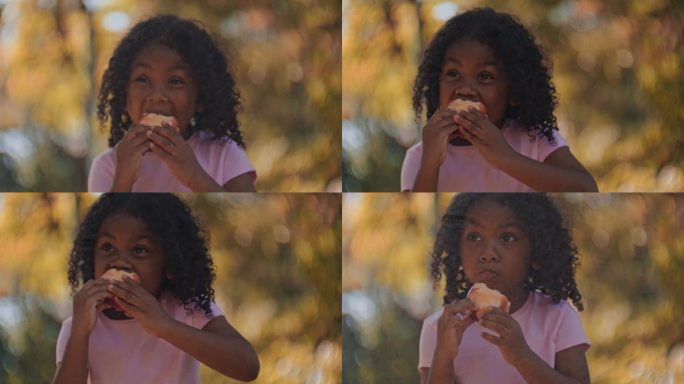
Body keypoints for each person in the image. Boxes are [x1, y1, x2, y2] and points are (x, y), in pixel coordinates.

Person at [53, 193, 260, 384]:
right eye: (108, 247)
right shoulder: (79, 326)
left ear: (169, 264)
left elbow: (248, 366)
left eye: (139, 250)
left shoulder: (186, 307)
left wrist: (163, 326)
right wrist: (80, 333)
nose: (120, 262)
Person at [401, 8, 598, 192]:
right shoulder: (420, 157)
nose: (465, 89)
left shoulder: (534, 139)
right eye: (453, 73)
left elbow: (586, 187)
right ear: (437, 82)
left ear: (514, 93)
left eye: (485, 76)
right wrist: (430, 163)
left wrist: (506, 159)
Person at [419, 193, 590, 383]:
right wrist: (443, 356)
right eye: (474, 237)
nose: (488, 253)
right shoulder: (439, 327)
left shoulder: (558, 317)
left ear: (536, 253)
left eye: (507, 237)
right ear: (458, 250)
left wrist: (521, 357)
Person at [89, 15, 256, 192]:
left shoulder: (225, 154)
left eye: (175, 81)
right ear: (124, 95)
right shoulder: (108, 166)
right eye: (142, 79)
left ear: (200, 98)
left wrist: (194, 176)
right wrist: (123, 179)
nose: (157, 96)